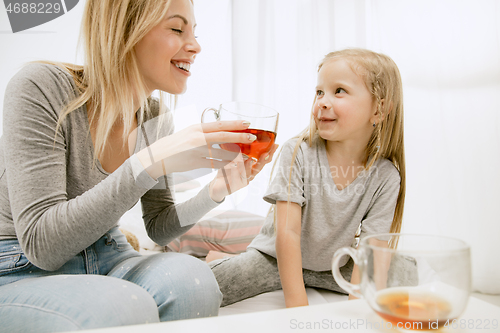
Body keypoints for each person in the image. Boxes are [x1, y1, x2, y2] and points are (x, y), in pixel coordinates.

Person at [0, 0, 277, 331]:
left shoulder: (153, 116)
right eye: (177, 29)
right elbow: (43, 245)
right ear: (125, 30)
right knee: (122, 306)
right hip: (19, 265)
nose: (196, 45)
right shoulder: (41, 86)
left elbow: (159, 227)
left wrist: (217, 190)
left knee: (194, 281)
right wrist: (147, 162)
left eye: (194, 31)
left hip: (107, 253)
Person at [209, 48, 406, 308]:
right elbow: (287, 233)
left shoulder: (386, 176)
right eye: (319, 92)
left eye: (339, 91)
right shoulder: (297, 152)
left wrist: (358, 309)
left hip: (335, 265)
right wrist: (298, 306)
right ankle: (215, 256)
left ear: (379, 110)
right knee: (209, 286)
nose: (322, 101)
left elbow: (372, 251)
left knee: (406, 275)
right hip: (275, 258)